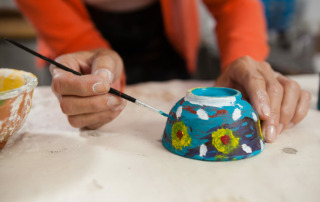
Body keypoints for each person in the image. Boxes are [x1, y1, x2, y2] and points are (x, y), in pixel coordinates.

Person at [15, 0, 311, 143]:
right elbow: (79, 45)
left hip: (170, 52)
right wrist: (96, 77)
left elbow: (233, 4)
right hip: (78, 64)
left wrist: (244, 59)